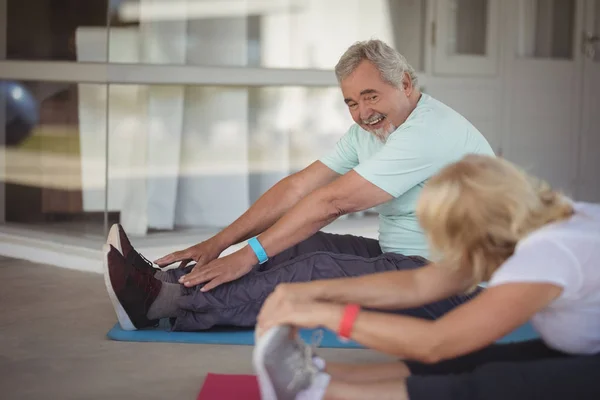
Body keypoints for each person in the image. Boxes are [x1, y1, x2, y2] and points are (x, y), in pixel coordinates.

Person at [103, 39, 494, 332]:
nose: (363, 113)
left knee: (315, 268)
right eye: (352, 103)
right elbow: (298, 188)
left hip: (450, 287)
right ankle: (163, 279)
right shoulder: (374, 130)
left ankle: (163, 302)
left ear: (406, 84)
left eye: (371, 96)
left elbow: (332, 202)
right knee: (303, 245)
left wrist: (247, 255)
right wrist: (216, 244)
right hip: (407, 261)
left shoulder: (428, 132)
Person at [252, 154, 600, 400]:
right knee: (482, 359)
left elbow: (435, 343)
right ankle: (322, 377)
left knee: (500, 384)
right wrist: (308, 294)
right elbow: (420, 283)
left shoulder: (548, 253)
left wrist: (323, 314)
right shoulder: (542, 218)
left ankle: (323, 394)